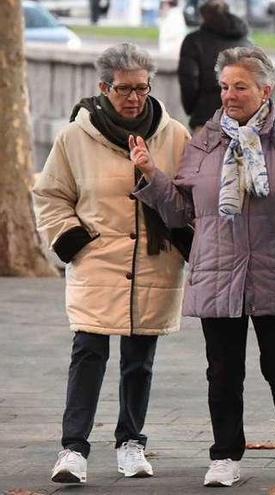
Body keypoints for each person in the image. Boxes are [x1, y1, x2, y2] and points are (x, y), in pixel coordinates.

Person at [131, 46, 275, 487]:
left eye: (239, 86)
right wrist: (151, 174)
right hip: (217, 271)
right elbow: (179, 210)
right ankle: (225, 454)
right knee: (222, 371)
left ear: (266, 89)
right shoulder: (205, 139)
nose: (229, 95)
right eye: (224, 86)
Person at [32, 42, 191, 485]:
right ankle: (73, 449)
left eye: (142, 87)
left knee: (139, 358)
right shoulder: (74, 137)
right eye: (124, 89)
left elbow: (189, 198)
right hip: (96, 259)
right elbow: (50, 195)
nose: (134, 97)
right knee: (88, 352)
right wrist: (73, 242)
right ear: (104, 88)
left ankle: (131, 443)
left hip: (155, 261)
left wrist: (181, 238)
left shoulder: (175, 135)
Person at [178, 0, 252, 132]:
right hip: (242, 121)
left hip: (206, 119)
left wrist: (192, 109)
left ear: (204, 15)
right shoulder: (246, 42)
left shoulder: (194, 41)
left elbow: (188, 80)